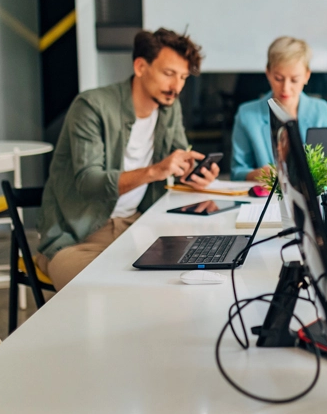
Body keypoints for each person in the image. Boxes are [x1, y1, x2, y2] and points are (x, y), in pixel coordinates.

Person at [36, 29, 218, 290]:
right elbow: (88, 182)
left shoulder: (168, 108)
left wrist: (193, 174)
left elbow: (176, 163)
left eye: (183, 77)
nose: (176, 87)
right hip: (78, 236)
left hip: (140, 225)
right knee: (103, 294)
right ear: (141, 66)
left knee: (192, 279)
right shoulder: (91, 106)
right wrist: (155, 171)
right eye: (169, 74)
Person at [231, 36, 327, 181]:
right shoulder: (247, 115)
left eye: (294, 80)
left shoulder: (322, 112)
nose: (285, 88)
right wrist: (260, 174)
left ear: (306, 76)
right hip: (265, 199)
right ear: (268, 73)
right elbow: (237, 173)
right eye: (278, 78)